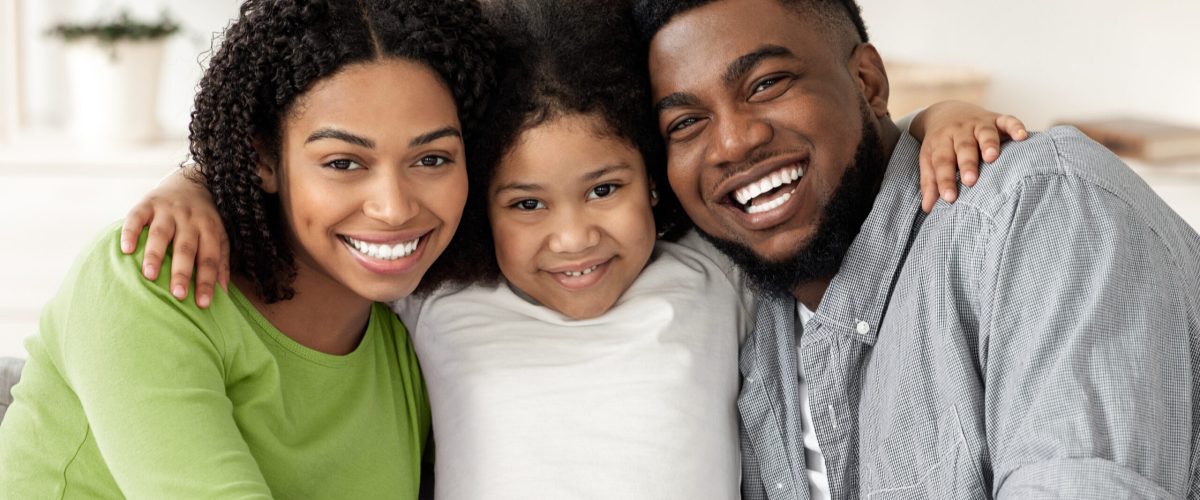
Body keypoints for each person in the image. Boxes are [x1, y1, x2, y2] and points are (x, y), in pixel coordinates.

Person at [118, 1, 1025, 498]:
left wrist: (938, 120)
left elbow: (828, 188)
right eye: (525, 203)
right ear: (478, 202)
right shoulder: (438, 293)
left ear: (653, 178)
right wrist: (194, 185)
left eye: (605, 188)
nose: (574, 235)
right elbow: (337, 222)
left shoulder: (707, 271)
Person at [633, 0, 1200, 498]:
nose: (733, 141)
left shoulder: (1032, 209)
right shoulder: (737, 304)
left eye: (767, 83)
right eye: (685, 122)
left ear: (868, 82)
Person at [0, 0, 494, 497]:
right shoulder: (151, 281)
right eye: (343, 163)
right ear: (263, 158)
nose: (394, 207)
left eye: (431, 159)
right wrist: (202, 173)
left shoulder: (415, 334)